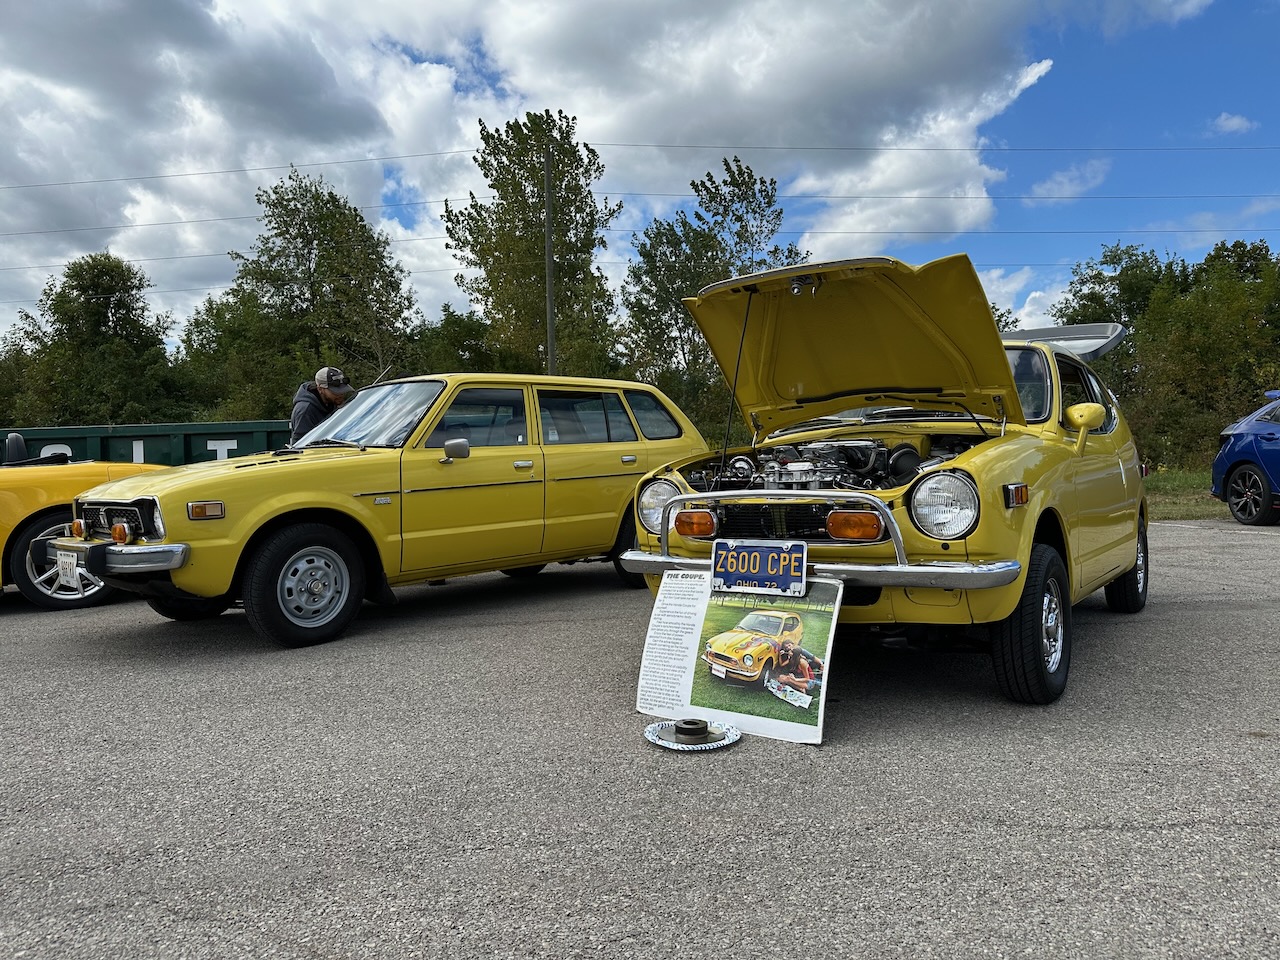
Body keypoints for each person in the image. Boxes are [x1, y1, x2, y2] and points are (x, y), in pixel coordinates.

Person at [290, 366, 355, 443]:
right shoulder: (305, 410)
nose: (341, 394)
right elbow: (300, 445)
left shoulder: (332, 402)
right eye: (335, 391)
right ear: (320, 389)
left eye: (343, 390)